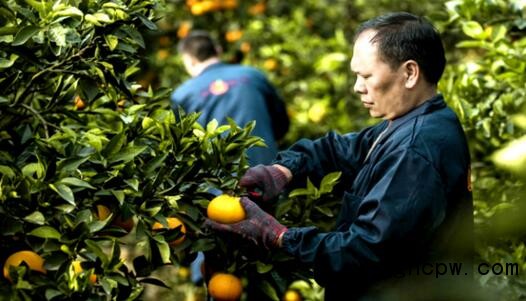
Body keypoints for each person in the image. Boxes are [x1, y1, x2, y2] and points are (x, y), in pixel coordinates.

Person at [204, 12, 474, 300]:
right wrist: (283, 171)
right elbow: (339, 149)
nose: (358, 87)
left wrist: (280, 237)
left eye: (366, 76)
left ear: (409, 73)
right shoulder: (413, 121)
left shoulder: (415, 149)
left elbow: (365, 251)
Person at [171, 30, 289, 166]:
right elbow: (281, 123)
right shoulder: (252, 75)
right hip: (268, 172)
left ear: (188, 60)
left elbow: (183, 148)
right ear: (218, 50)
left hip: (220, 182)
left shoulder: (183, 94)